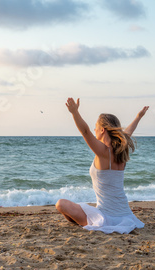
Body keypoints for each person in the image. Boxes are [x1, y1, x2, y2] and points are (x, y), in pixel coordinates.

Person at [56, 98, 149, 234]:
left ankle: (86, 222)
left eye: (96, 127)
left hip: (106, 217)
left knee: (61, 204)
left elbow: (85, 131)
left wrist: (75, 113)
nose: (94, 129)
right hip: (126, 215)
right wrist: (138, 117)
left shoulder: (104, 152)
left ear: (103, 130)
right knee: (72, 207)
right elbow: (128, 133)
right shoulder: (122, 150)